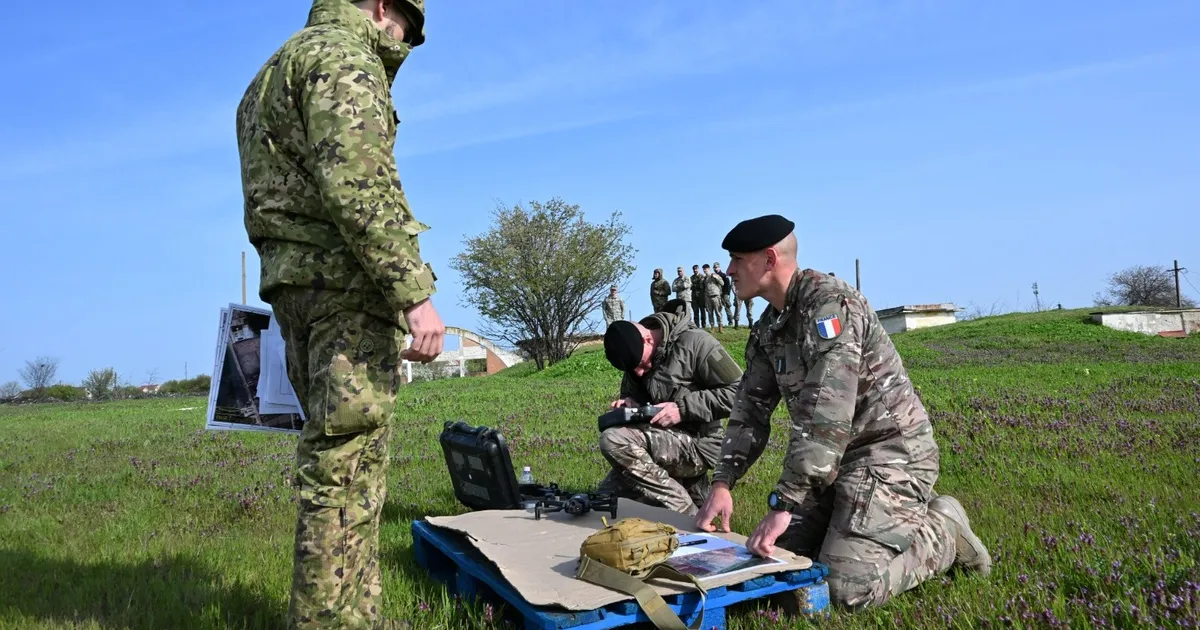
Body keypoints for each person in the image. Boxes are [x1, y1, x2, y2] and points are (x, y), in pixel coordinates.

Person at [235, 0, 442, 628]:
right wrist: (413, 291)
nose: (404, 43)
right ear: (384, 8)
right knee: (346, 475)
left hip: (296, 287)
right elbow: (358, 183)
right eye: (408, 30)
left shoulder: (272, 70)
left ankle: (358, 615)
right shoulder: (345, 57)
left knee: (337, 466)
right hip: (345, 291)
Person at [695, 215, 991, 611]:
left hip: (890, 457)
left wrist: (784, 503)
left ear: (768, 259)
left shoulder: (830, 306)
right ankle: (853, 524)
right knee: (778, 571)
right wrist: (722, 482)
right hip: (834, 468)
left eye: (737, 259)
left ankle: (944, 532)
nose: (728, 270)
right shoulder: (769, 327)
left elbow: (826, 415)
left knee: (845, 590)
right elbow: (750, 410)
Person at [597, 299, 744, 515]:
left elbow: (740, 392)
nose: (638, 373)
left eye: (641, 365)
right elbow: (634, 394)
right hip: (662, 441)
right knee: (604, 502)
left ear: (648, 338)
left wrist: (682, 409)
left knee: (613, 440)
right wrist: (631, 406)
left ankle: (686, 512)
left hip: (698, 445)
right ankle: (689, 493)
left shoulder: (697, 343)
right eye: (632, 370)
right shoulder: (633, 357)